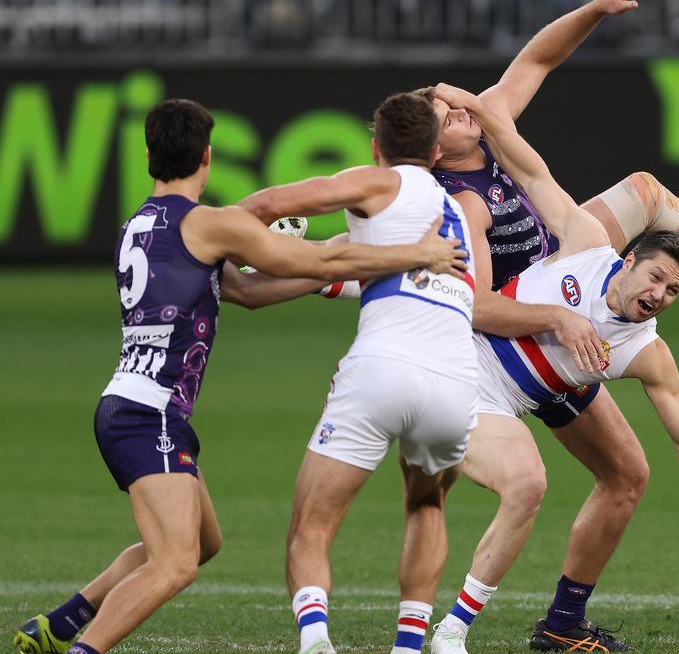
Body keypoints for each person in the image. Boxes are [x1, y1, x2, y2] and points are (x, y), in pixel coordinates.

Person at [414, 0, 679, 653]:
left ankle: (562, 625)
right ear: (427, 143)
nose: (463, 106)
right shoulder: (442, 195)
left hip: (570, 281)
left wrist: (595, 10)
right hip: (512, 313)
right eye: (446, 110)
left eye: (459, 102)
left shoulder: (489, 133)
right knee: (496, 474)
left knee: (628, 472)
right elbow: (475, 304)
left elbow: (535, 61)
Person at [10, 98, 469, 654]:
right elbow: (319, 264)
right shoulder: (210, 223)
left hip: (137, 404)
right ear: (207, 156)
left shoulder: (138, 226)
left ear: (151, 156)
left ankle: (60, 625)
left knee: (203, 542)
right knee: (176, 564)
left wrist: (329, 256)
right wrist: (413, 253)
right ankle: (84, 650)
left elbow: (246, 292)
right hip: (148, 412)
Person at [231, 89, 482, 654]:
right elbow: (303, 274)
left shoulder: (377, 183)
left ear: (376, 148)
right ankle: (408, 646)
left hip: (382, 369)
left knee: (311, 526)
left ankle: (317, 641)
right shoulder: (456, 218)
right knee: (426, 503)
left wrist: (203, 235)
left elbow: (270, 203)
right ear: (438, 150)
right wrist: (233, 282)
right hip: (456, 381)